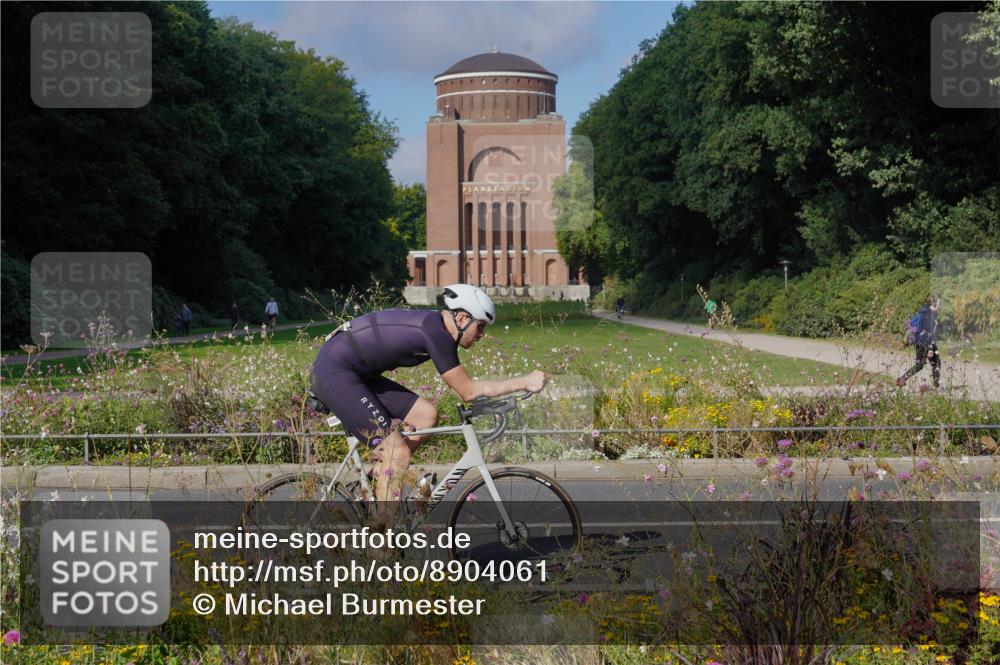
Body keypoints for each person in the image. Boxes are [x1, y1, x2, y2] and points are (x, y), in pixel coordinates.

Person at [310, 284, 547, 516]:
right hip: (335, 372)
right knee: (397, 452)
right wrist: (524, 381)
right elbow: (468, 391)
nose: (482, 335)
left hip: (357, 373)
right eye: (481, 326)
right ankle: (382, 536)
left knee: (426, 416)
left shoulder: (437, 328)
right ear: (462, 319)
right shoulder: (436, 333)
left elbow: (463, 391)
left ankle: (378, 480)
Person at [897, 296, 941, 388]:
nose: (939, 306)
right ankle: (936, 386)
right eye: (938, 304)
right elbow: (928, 333)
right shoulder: (930, 316)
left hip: (919, 342)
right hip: (927, 343)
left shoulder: (923, 312)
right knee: (936, 363)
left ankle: (902, 379)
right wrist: (930, 348)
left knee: (919, 365)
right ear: (934, 304)